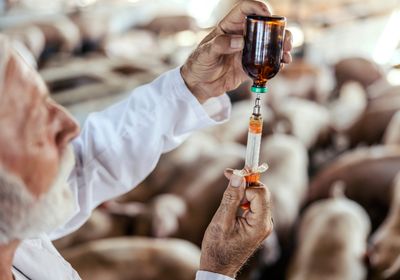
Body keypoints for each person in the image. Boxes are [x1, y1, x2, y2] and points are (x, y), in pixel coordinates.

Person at [0, 0, 292, 279]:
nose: (69, 126)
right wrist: (218, 271)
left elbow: (89, 164)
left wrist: (192, 85)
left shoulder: (13, 225)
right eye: (33, 119)